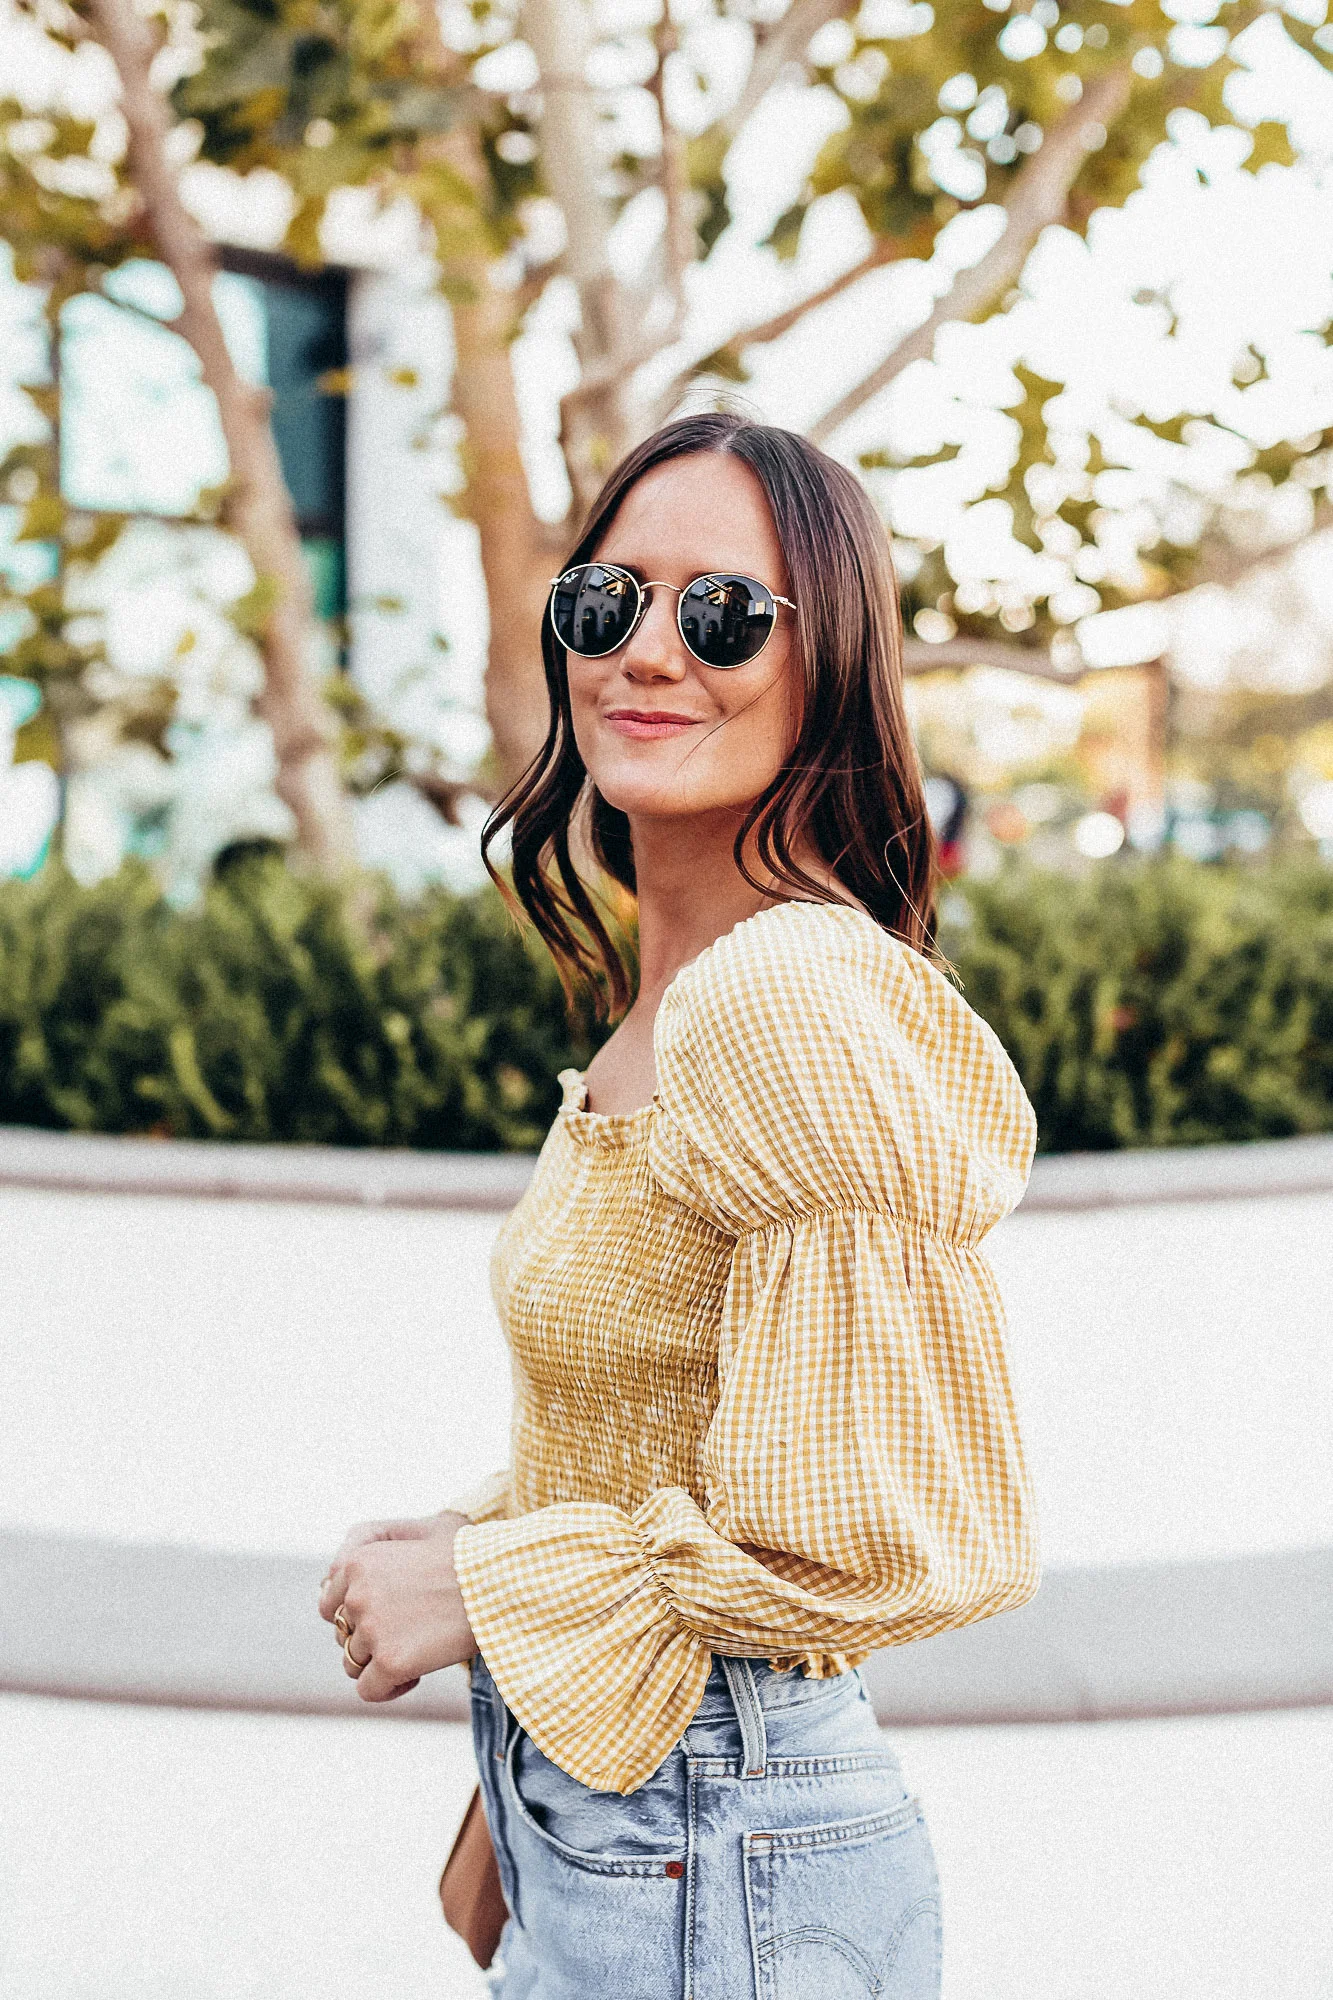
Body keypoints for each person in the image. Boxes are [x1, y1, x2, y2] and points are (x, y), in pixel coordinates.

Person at [319, 413, 1040, 1997]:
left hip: (717, 1849)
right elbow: (684, 1442)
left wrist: (485, 1590)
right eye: (605, 601)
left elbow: (873, 1534)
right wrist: (483, 1560)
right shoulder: (679, 994)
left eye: (719, 612)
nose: (647, 652)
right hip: (641, 1836)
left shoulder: (784, 994)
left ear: (828, 663)